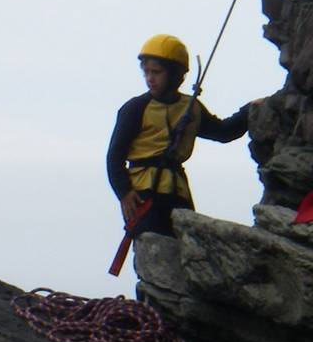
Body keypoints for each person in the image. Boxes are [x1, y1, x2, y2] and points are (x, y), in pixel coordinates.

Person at [106, 34, 253, 237]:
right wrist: (124, 193)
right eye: (146, 72)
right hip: (143, 194)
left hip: (178, 193)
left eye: (156, 72)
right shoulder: (135, 108)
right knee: (155, 247)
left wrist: (249, 112)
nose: (150, 78)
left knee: (187, 251)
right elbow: (115, 156)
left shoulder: (190, 108)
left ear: (175, 75)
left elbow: (222, 132)